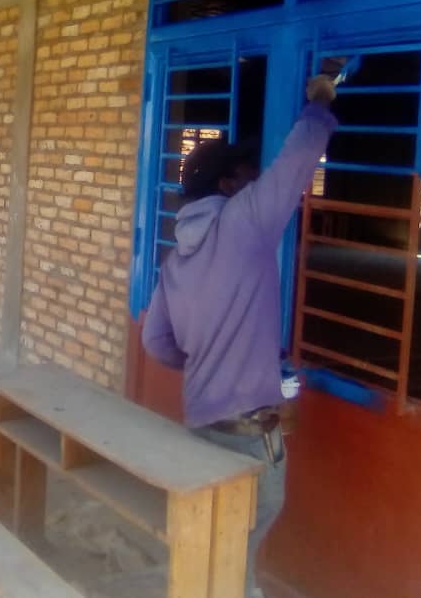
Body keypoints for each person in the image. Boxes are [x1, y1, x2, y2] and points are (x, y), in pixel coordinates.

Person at [141, 74, 338, 598]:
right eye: (249, 172)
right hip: (250, 433)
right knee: (238, 549)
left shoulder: (174, 259)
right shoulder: (244, 223)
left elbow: (155, 343)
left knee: (210, 539)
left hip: (200, 421)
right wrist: (320, 101)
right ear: (228, 185)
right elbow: (296, 162)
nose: (256, 180)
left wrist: (207, 359)